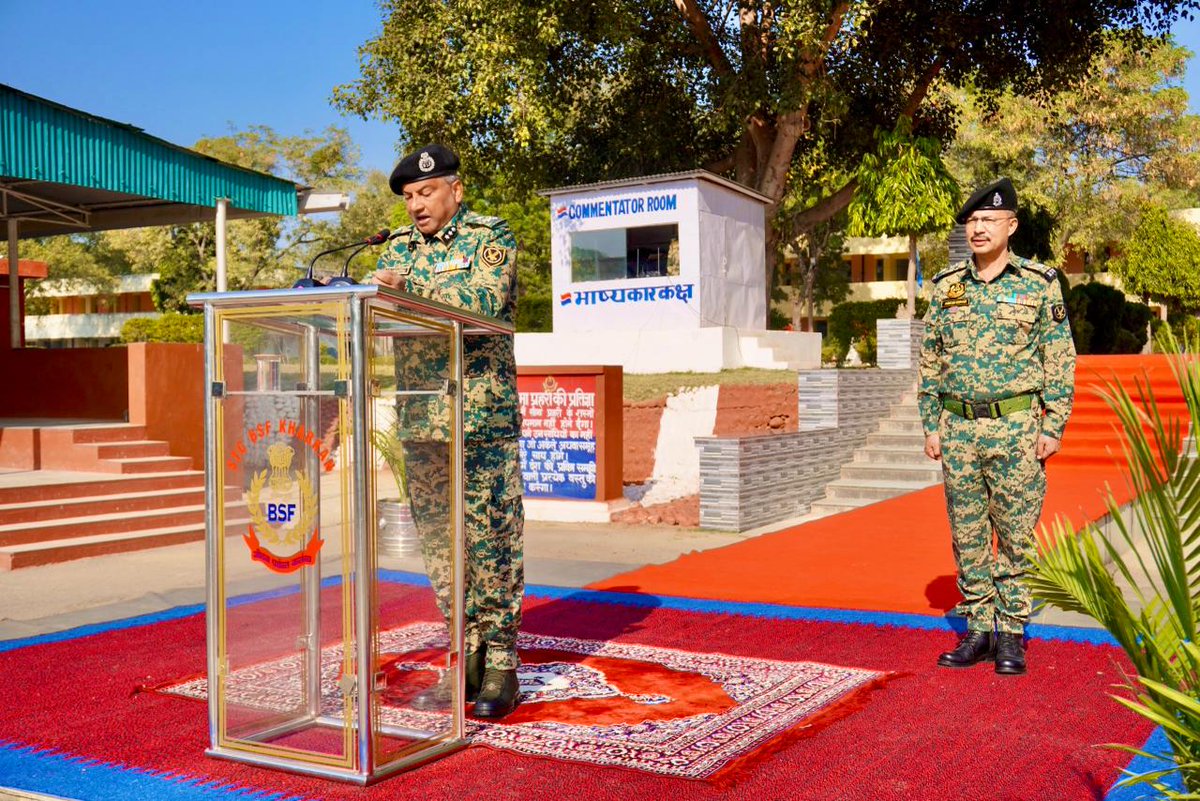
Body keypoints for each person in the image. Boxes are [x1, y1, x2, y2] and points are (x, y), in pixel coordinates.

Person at [373, 143, 524, 718]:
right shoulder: (396, 249)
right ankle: (468, 654)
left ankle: (503, 664)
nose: (415, 205)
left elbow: (485, 300)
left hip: (477, 417)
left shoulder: (490, 236)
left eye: (426, 192)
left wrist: (404, 290)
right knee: (441, 547)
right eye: (409, 196)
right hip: (421, 421)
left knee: (491, 540)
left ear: (455, 191)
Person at [918, 177, 1076, 676]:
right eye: (972, 221)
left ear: (1011, 226)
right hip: (959, 428)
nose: (978, 228)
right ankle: (978, 630)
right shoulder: (947, 288)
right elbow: (930, 360)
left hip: (1016, 428)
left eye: (988, 220)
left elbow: (1060, 357)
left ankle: (1011, 634)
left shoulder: (1039, 283)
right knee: (966, 534)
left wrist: (1053, 423)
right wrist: (931, 423)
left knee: (1014, 535)